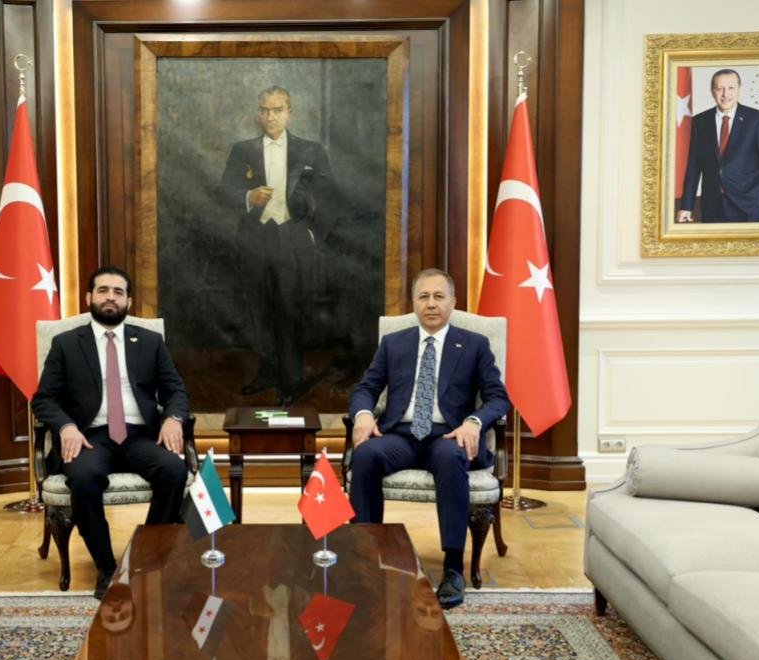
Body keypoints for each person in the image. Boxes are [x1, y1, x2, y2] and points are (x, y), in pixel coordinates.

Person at [347, 269, 511, 609]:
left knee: (451, 458)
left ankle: (453, 567)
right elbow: (366, 388)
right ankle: (368, 556)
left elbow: (498, 398)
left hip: (448, 435)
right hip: (401, 435)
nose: (431, 304)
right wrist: (363, 414)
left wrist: (473, 422)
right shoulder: (394, 343)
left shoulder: (475, 344)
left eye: (439, 296)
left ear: (453, 302)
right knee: (365, 455)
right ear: (414, 303)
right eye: (424, 297)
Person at [31, 267, 189, 598]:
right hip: (89, 437)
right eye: (103, 290)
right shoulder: (66, 344)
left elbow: (175, 389)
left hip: (140, 434)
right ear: (89, 297)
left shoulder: (150, 342)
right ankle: (106, 569)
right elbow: (43, 398)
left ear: (128, 301)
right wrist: (66, 426)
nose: (110, 298)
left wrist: (174, 418)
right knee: (84, 478)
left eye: (118, 292)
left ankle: (144, 560)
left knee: (174, 470)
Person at [217, 85, 338, 405]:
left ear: (289, 113)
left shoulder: (311, 151)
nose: (271, 117)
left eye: (278, 110)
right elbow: (223, 191)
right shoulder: (242, 150)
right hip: (254, 239)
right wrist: (248, 196)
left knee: (289, 309)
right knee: (258, 309)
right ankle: (268, 372)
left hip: (291, 238)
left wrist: (313, 234)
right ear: (259, 114)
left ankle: (292, 380)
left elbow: (330, 197)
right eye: (265, 111)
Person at [677, 68, 759, 223]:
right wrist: (686, 206)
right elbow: (694, 167)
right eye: (720, 89)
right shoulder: (700, 121)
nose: (725, 94)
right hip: (712, 205)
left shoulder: (756, 119)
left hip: (749, 204)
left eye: (731, 88)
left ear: (739, 90)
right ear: (712, 91)